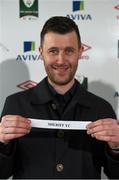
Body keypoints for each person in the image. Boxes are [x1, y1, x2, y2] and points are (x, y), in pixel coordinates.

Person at [0, 16, 119, 179]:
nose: (61, 60)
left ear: (80, 51)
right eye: (53, 51)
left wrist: (116, 147)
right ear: (41, 52)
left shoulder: (102, 108)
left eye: (69, 51)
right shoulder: (15, 105)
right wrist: (2, 144)